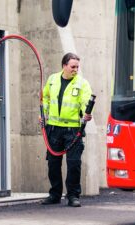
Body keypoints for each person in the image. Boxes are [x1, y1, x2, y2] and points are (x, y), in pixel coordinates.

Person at [40, 53, 92, 207]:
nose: (75, 69)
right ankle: (55, 195)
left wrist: (86, 114)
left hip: (73, 130)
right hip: (54, 129)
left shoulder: (82, 84)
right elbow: (45, 98)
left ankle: (73, 196)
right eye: (73, 67)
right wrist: (44, 114)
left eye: (77, 67)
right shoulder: (52, 80)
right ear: (64, 66)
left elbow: (85, 102)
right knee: (53, 163)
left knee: (74, 163)